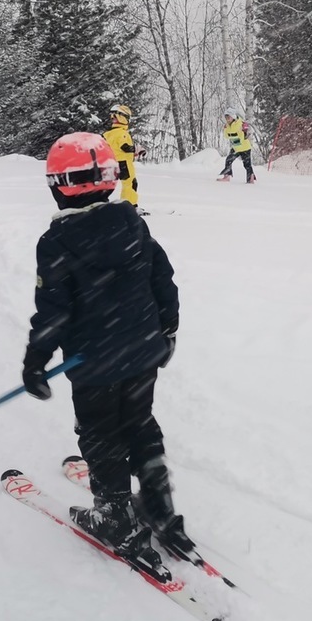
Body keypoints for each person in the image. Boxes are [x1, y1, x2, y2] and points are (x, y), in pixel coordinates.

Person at [20, 131, 194, 563]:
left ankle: (115, 515)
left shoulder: (56, 242)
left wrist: (36, 361)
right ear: (110, 178)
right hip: (141, 352)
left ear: (59, 186)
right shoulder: (132, 222)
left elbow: (53, 311)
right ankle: (159, 505)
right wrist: (166, 331)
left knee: (100, 433)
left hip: (94, 363)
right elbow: (163, 281)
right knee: (139, 421)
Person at [103, 104, 144, 211]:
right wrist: (136, 149)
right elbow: (125, 147)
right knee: (130, 184)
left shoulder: (108, 134)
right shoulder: (122, 133)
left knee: (107, 186)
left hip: (112, 163)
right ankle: (130, 206)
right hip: (124, 164)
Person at [217, 106, 257, 183]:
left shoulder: (239, 123)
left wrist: (243, 130)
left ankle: (250, 179)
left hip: (244, 147)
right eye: (226, 117)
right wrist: (227, 130)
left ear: (233, 117)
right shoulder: (227, 126)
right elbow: (226, 136)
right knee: (229, 160)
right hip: (236, 147)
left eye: (229, 117)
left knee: (247, 164)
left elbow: (238, 133)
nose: (227, 119)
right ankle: (227, 176)